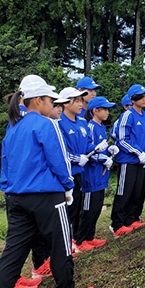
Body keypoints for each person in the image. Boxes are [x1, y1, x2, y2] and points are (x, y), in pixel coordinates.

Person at [0, 76, 94, 288]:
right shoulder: (45, 124)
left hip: (16, 197)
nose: (53, 104)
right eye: (50, 100)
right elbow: (58, 160)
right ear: (38, 101)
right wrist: (68, 186)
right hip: (46, 195)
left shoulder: (13, 125)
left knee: (12, 253)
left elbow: (5, 160)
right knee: (61, 245)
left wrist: (9, 188)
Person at [57, 87, 108, 241]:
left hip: (81, 173)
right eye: (76, 101)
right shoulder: (59, 123)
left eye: (81, 100)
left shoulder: (82, 122)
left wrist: (96, 149)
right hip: (68, 174)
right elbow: (60, 151)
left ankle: (80, 240)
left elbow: (87, 146)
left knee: (79, 208)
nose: (80, 104)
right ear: (66, 103)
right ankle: (70, 241)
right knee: (69, 210)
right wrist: (76, 158)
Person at [111, 84, 145, 235]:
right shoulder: (128, 115)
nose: (144, 99)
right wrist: (138, 152)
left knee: (138, 191)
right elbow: (122, 139)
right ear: (133, 99)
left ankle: (131, 219)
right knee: (124, 191)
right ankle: (117, 224)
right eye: (140, 96)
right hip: (128, 160)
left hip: (143, 161)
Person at [75, 96, 118, 252]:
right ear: (95, 111)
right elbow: (88, 150)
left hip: (101, 175)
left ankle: (90, 237)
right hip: (91, 176)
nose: (107, 112)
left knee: (96, 207)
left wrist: (110, 151)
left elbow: (101, 148)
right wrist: (102, 157)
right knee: (87, 209)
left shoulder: (101, 127)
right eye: (104, 109)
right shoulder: (90, 127)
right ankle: (80, 240)